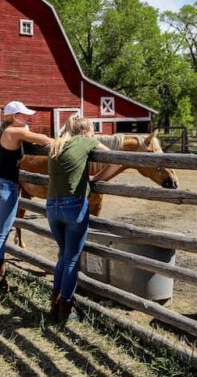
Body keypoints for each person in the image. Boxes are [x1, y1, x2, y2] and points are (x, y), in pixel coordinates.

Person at [46, 116, 121, 322]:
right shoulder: (86, 141)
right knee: (71, 258)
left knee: (63, 255)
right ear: (85, 130)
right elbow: (117, 158)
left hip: (52, 205)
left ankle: (55, 302)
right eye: (92, 131)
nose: (94, 135)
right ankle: (65, 309)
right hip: (73, 205)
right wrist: (98, 178)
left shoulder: (56, 145)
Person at [0, 101, 53, 293]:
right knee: (1, 234)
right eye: (24, 115)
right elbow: (44, 139)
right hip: (6, 187)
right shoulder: (16, 132)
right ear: (14, 116)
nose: (27, 118)